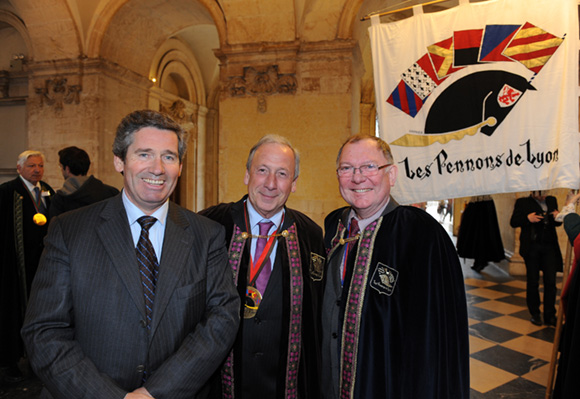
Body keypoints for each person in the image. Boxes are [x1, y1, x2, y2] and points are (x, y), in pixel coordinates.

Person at [21, 110, 240, 399]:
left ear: (180, 166)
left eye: (169, 157)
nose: (158, 168)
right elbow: (44, 331)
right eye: (144, 154)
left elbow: (221, 320)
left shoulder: (207, 234)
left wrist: (155, 393)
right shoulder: (69, 230)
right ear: (119, 161)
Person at [321, 134, 469, 399]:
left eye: (369, 167)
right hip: (330, 383)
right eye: (347, 168)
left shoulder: (421, 234)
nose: (357, 177)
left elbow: (435, 338)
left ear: (391, 174)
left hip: (388, 385)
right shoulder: (334, 226)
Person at [199, 134, 326, 398]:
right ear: (247, 175)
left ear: (294, 184)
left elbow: (316, 321)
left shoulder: (310, 236)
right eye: (262, 171)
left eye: (282, 174)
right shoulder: (209, 226)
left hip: (286, 387)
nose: (270, 184)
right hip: (218, 387)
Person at [0, 150, 54, 384]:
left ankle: (36, 359)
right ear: (19, 168)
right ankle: (9, 362)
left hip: (41, 263)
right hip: (14, 263)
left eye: (40, 165)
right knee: (12, 310)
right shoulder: (7, 192)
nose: (36, 170)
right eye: (31, 166)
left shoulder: (48, 190)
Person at [510, 190, 562, 327]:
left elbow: (556, 224)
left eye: (545, 192)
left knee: (550, 281)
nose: (543, 196)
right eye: (540, 193)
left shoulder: (552, 200)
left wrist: (558, 217)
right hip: (531, 246)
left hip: (549, 246)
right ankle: (535, 313)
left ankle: (550, 315)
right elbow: (514, 222)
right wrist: (528, 218)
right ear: (534, 191)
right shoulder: (522, 202)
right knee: (533, 281)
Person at [49, 146, 119, 218]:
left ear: (67, 169)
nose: (61, 170)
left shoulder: (60, 200)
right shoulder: (112, 193)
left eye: (60, 166)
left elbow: (56, 227)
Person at [456, 195, 505, 272]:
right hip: (483, 204)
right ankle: (480, 260)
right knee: (482, 233)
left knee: (479, 233)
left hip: (478, 204)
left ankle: (480, 260)